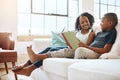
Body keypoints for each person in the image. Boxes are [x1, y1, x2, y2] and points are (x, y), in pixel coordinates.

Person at [12, 12, 96, 76]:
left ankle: (30, 69)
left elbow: (87, 46)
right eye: (82, 22)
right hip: (71, 47)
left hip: (76, 51)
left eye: (86, 21)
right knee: (49, 48)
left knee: (52, 50)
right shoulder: (78, 32)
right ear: (79, 24)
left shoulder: (91, 33)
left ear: (90, 21)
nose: (85, 23)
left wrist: (79, 43)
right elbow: (73, 42)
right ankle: (24, 65)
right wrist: (69, 39)